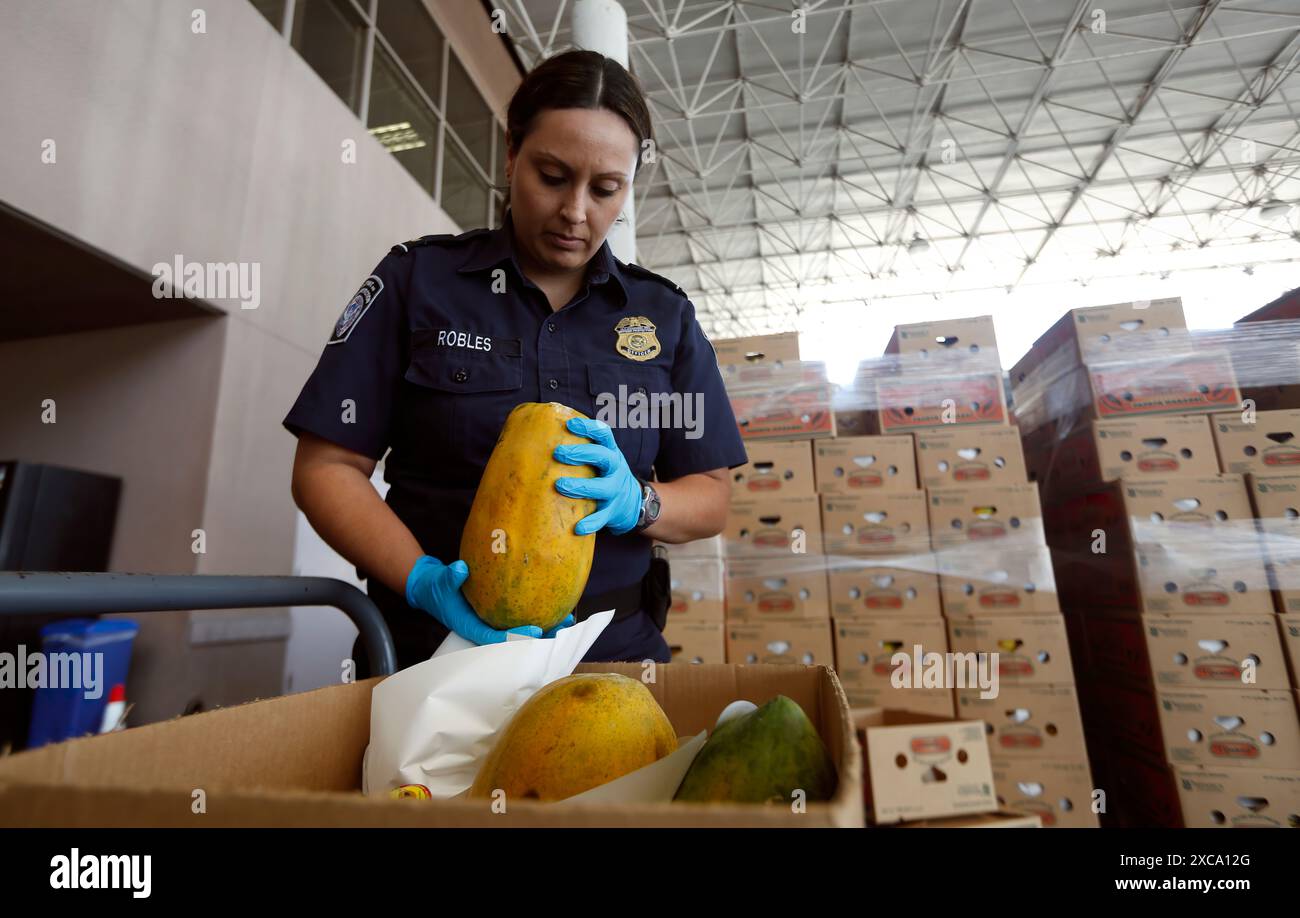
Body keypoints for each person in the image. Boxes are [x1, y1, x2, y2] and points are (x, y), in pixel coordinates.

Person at [283, 49, 747, 674]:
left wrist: (639, 502)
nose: (577, 211)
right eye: (553, 176)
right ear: (511, 154)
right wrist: (422, 580)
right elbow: (327, 467)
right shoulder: (417, 282)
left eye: (607, 189)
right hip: (431, 654)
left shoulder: (664, 317)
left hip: (608, 660)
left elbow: (712, 497)